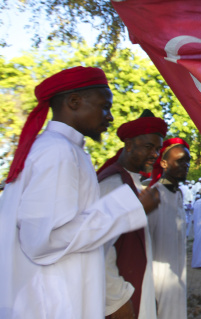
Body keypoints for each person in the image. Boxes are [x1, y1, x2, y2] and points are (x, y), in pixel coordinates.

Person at [0, 67, 155, 318]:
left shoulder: (66, 150)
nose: (110, 117)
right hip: (52, 301)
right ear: (74, 102)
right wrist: (129, 209)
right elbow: (43, 241)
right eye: (105, 106)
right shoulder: (57, 152)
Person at [97, 110, 167, 319]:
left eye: (158, 148)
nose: (155, 154)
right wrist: (117, 301)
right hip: (119, 299)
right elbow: (99, 248)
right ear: (128, 145)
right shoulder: (113, 184)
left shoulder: (132, 183)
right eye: (149, 147)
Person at [148, 137, 191, 318]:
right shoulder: (154, 196)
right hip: (158, 281)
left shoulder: (178, 194)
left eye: (187, 161)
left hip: (178, 276)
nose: (185, 165)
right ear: (164, 163)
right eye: (180, 161)